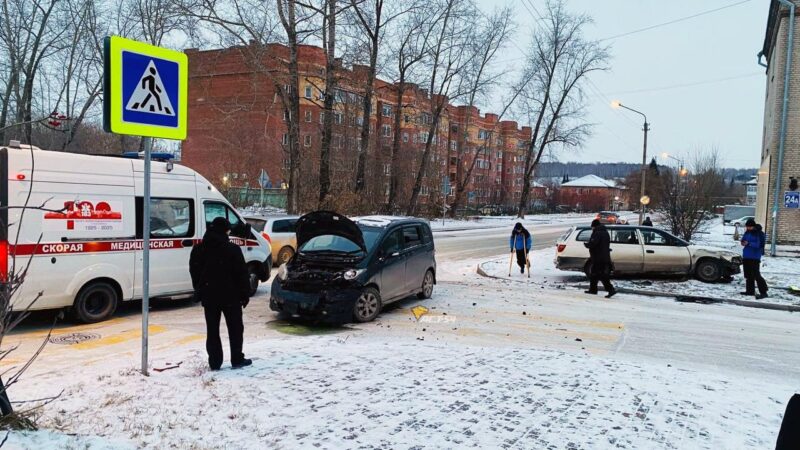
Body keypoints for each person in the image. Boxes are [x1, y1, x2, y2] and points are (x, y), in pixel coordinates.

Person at [190, 217, 252, 370]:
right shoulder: (232, 249)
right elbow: (242, 274)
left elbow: (194, 271)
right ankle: (237, 359)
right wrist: (245, 294)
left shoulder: (199, 249)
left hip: (209, 296)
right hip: (231, 296)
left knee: (212, 330)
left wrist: (200, 288)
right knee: (235, 328)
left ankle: (215, 362)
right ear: (225, 231)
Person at [584, 219, 617, 298]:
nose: (592, 228)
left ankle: (611, 289)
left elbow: (593, 243)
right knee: (594, 273)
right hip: (604, 256)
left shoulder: (597, 233)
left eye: (592, 227)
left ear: (594, 226)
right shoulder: (605, 232)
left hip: (598, 257)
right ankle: (593, 290)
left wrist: (587, 245)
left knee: (600, 274)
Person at [740, 218, 768, 299]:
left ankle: (764, 292)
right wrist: (743, 242)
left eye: (749, 227)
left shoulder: (759, 233)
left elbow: (759, 245)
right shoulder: (747, 232)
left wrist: (748, 243)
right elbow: (743, 239)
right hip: (746, 256)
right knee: (748, 275)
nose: (747, 228)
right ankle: (750, 291)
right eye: (747, 227)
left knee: (756, 275)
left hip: (754, 257)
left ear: (753, 226)